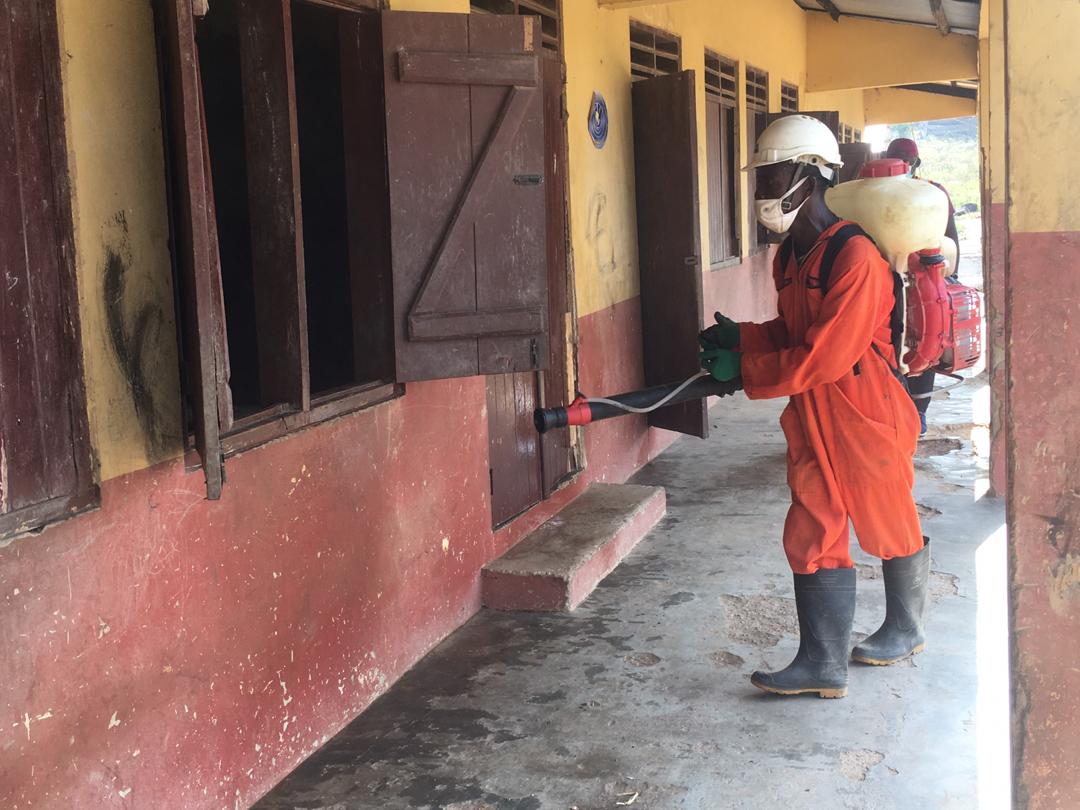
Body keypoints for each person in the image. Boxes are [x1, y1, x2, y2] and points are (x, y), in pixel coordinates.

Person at [698, 116, 929, 699]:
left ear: (810, 174)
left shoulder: (856, 258)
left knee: (887, 518)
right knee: (813, 523)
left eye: (772, 175)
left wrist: (744, 372)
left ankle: (906, 627)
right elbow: (793, 332)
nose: (761, 190)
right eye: (759, 178)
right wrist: (743, 339)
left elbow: (826, 355)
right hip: (812, 412)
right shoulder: (791, 257)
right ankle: (822, 663)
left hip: (866, 409)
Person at [885, 137, 961, 435]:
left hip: (923, 281)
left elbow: (950, 238)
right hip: (889, 279)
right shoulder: (874, 193)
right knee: (892, 346)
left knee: (927, 344)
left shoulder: (931, 192)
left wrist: (950, 277)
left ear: (916, 163)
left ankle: (918, 411)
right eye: (899, 157)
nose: (905, 164)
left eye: (909, 159)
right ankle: (895, 409)